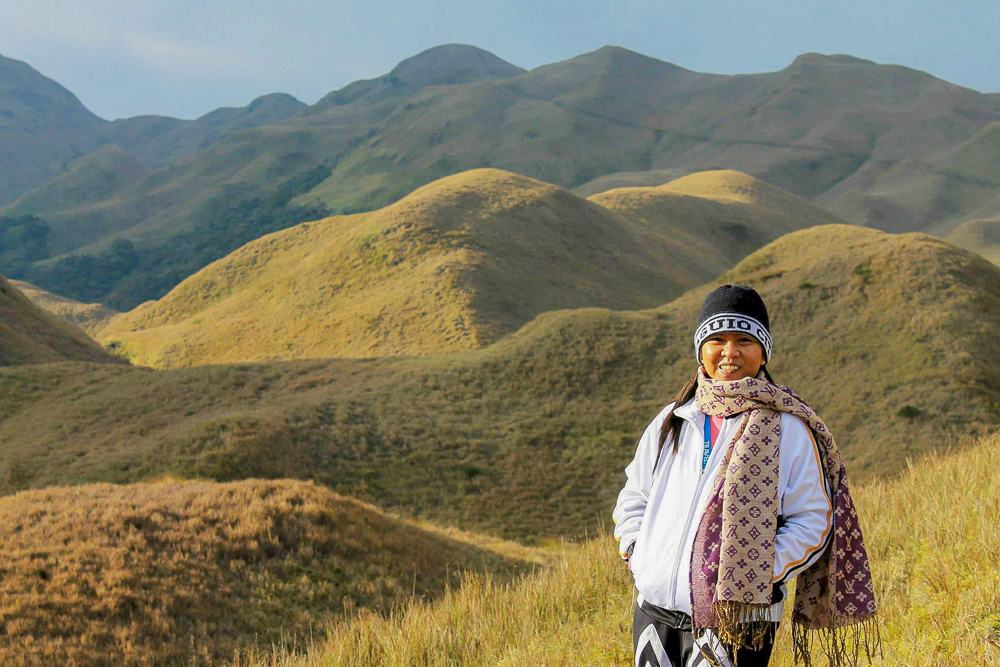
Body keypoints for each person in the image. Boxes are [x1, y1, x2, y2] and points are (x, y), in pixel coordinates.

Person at [613, 285, 878, 667]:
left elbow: (814, 520)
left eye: (744, 340)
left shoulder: (789, 429)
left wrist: (758, 571)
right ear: (701, 349)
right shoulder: (674, 419)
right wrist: (638, 553)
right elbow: (634, 495)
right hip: (656, 612)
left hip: (739, 620)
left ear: (763, 350)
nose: (730, 352)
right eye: (717, 339)